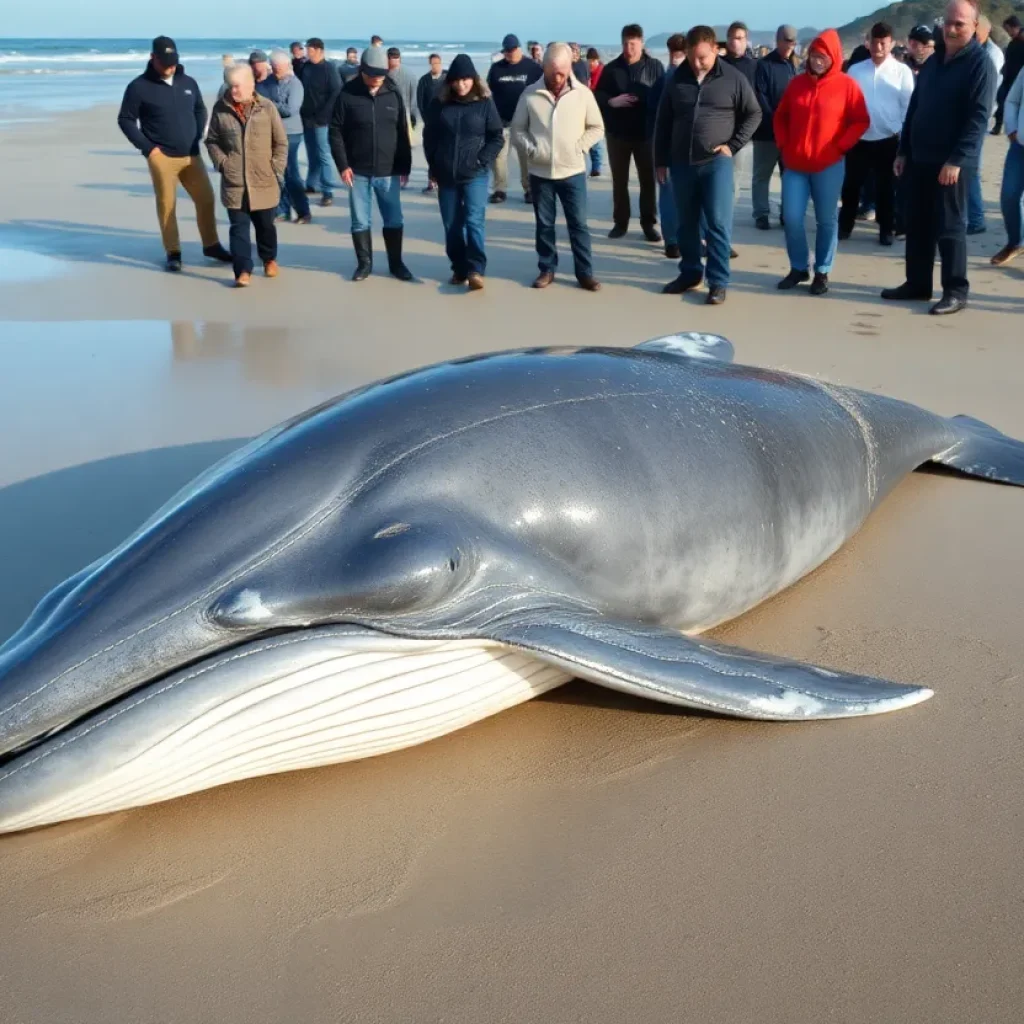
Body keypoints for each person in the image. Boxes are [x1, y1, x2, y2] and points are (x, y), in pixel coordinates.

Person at [882, 0, 997, 315]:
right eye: (948, 22)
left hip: (953, 163)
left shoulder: (979, 64)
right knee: (917, 223)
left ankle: (955, 291)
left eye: (960, 23)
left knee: (949, 228)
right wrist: (904, 150)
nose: (952, 28)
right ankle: (917, 284)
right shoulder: (934, 62)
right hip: (919, 157)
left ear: (974, 26)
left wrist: (957, 160)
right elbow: (915, 108)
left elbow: (978, 118)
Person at [654, 25, 761, 305]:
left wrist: (733, 145)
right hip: (681, 163)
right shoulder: (677, 79)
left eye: (702, 57)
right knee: (685, 223)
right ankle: (690, 272)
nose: (696, 63)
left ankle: (718, 281)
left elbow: (754, 113)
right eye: (692, 57)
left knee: (717, 222)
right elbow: (663, 121)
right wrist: (660, 161)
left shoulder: (733, 78)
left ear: (716, 49)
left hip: (716, 163)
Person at [117, 35, 231, 272]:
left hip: (191, 154)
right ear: (152, 58)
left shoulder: (188, 82)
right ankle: (173, 252)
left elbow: (200, 108)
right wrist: (149, 149)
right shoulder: (138, 87)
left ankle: (211, 245)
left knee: (206, 199)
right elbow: (126, 120)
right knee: (167, 205)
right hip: (162, 157)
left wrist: (198, 132)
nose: (170, 66)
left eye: (173, 61)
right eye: (165, 62)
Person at [773, 29, 869, 296]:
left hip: (828, 165)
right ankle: (799, 267)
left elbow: (861, 120)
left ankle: (823, 271)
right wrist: (783, 144)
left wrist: (840, 146)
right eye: (814, 56)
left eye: (823, 57)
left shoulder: (847, 85)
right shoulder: (796, 84)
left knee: (826, 220)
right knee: (791, 218)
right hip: (795, 164)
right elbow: (780, 117)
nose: (817, 61)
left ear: (834, 57)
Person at [510, 42, 605, 290]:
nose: (558, 77)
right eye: (553, 73)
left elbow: (597, 127)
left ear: (570, 66)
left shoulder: (583, 94)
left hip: (572, 171)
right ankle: (546, 269)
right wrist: (532, 149)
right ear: (544, 68)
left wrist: (580, 147)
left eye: (562, 72)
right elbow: (517, 130)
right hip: (540, 173)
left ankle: (585, 273)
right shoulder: (530, 94)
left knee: (579, 225)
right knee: (544, 225)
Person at [329, 45, 414, 282]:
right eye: (372, 75)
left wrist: (404, 166)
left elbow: (401, 131)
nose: (377, 79)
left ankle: (396, 264)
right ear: (362, 70)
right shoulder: (347, 94)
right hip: (357, 171)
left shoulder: (393, 93)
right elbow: (335, 131)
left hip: (389, 170)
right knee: (360, 220)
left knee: (394, 219)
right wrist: (343, 165)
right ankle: (364, 264)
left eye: (381, 75)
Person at [423, 54, 504, 290]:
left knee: (474, 220)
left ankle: (476, 269)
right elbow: (430, 137)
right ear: (450, 81)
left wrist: (482, 160)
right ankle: (459, 267)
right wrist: (433, 165)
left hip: (475, 174)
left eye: (466, 79)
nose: (461, 84)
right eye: (457, 80)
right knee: (451, 224)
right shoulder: (439, 103)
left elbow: (496, 136)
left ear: (474, 79)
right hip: (446, 174)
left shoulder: (485, 102)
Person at [205, 64, 288, 288]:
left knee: (265, 227)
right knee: (238, 230)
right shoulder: (220, 109)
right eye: (231, 86)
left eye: (237, 86)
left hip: (264, 179)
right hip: (235, 183)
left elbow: (280, 142)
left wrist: (276, 167)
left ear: (251, 85)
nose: (233, 91)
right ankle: (242, 271)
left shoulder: (267, 107)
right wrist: (222, 163)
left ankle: (269, 258)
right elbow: (211, 140)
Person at [839, 23, 914, 246]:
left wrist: (899, 132)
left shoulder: (902, 71)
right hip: (859, 139)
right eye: (874, 42)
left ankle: (885, 230)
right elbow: (847, 104)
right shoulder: (855, 70)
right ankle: (845, 227)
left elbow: (908, 106)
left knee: (886, 188)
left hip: (888, 139)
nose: (878, 47)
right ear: (868, 42)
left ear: (891, 43)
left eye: (883, 42)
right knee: (851, 186)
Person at [595, 24, 665, 241]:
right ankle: (620, 222)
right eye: (625, 43)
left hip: (646, 133)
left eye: (633, 44)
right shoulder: (612, 68)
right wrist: (611, 101)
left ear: (641, 43)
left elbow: (664, 97)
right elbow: (596, 96)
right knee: (619, 180)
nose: (629, 48)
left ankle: (648, 224)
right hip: (618, 133)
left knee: (647, 181)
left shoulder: (655, 67)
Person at [486, 34, 543, 203]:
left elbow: (541, 92)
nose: (509, 54)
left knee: (525, 157)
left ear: (518, 48)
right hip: (501, 121)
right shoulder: (496, 68)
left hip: (525, 122)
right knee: (498, 158)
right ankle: (500, 189)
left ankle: (529, 189)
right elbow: (488, 93)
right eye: (506, 51)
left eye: (511, 50)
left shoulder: (532, 68)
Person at [752, 25, 798, 229]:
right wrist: (776, 121)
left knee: (789, 175)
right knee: (762, 174)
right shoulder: (764, 65)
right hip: (767, 132)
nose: (789, 45)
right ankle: (761, 213)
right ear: (777, 40)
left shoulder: (793, 65)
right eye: (786, 41)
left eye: (793, 41)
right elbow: (760, 97)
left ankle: (786, 213)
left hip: (789, 133)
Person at [648, 33, 687, 259]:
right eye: (673, 52)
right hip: (668, 144)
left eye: (679, 53)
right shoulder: (666, 79)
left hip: (680, 144)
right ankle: (672, 240)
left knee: (678, 192)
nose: (675, 57)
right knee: (669, 191)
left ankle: (679, 239)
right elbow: (654, 113)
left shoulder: (669, 78)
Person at [721, 22, 757, 237]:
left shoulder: (753, 67)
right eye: (733, 37)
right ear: (727, 39)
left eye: (741, 37)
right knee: (714, 185)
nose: (736, 42)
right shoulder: (718, 65)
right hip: (718, 132)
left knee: (734, 185)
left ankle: (724, 232)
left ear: (746, 41)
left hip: (741, 136)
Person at [268, 50, 311, 225]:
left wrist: (270, 104)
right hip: (273, 132)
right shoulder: (269, 83)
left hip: (292, 133)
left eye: (279, 67)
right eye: (274, 67)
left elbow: (290, 110)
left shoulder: (295, 85)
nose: (276, 70)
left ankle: (303, 211)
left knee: (292, 174)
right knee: (278, 173)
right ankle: (283, 210)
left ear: (287, 66)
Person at [300, 38, 342, 206]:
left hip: (323, 119)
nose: (307, 52)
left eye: (309, 50)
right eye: (307, 49)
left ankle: (328, 191)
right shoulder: (306, 67)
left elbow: (336, 92)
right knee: (311, 154)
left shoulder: (329, 68)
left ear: (319, 50)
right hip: (306, 117)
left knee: (324, 154)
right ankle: (312, 184)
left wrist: (324, 114)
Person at [992, 68, 1024, 265]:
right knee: (1009, 196)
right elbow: (1012, 100)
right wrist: (1011, 127)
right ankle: (1015, 242)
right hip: (1020, 147)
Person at [418, 55, 447, 192]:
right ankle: (432, 180)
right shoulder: (424, 80)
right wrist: (426, 119)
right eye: (432, 63)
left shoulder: (448, 78)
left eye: (437, 63)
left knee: (444, 152)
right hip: (430, 123)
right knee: (430, 151)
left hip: (446, 123)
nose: (435, 66)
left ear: (440, 63)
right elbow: (420, 101)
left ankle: (444, 180)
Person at [993, 16, 1024, 134]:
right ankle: (999, 125)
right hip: (1008, 77)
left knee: (1009, 102)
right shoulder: (1014, 41)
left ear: (1015, 27)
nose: (1007, 32)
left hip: (1017, 80)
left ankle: (1013, 128)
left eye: (1008, 29)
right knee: (1001, 99)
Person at [387, 47, 419, 134]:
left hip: (397, 116)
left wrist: (413, 117)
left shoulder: (385, 75)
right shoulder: (411, 74)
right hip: (404, 115)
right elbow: (415, 98)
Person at [585, 48, 606, 176]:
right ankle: (594, 165)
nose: (590, 64)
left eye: (593, 61)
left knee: (597, 138)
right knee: (591, 138)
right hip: (590, 107)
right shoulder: (587, 72)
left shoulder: (603, 72)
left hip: (600, 108)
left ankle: (597, 166)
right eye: (589, 62)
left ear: (597, 60)